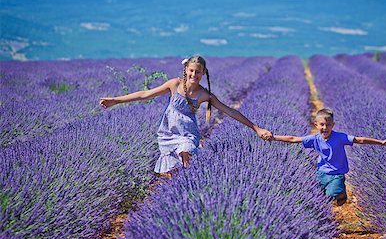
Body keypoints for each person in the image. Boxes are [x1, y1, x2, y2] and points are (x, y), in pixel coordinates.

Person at [100, 55, 273, 175]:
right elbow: (145, 94)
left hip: (187, 133)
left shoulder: (205, 95)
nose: (194, 74)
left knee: (185, 150)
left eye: (198, 72)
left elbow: (230, 111)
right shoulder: (174, 84)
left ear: (203, 73)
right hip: (168, 132)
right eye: (191, 70)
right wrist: (116, 100)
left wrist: (256, 128)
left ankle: (191, 181)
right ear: (186, 69)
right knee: (172, 171)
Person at [270, 107, 386, 206]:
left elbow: (360, 140)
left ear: (333, 125)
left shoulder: (340, 137)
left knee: (333, 193)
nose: (325, 128)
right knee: (320, 197)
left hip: (337, 173)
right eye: (322, 125)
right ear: (316, 125)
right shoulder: (314, 139)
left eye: (328, 125)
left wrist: (381, 142)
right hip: (321, 172)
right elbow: (293, 139)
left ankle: (341, 192)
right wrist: (273, 137)